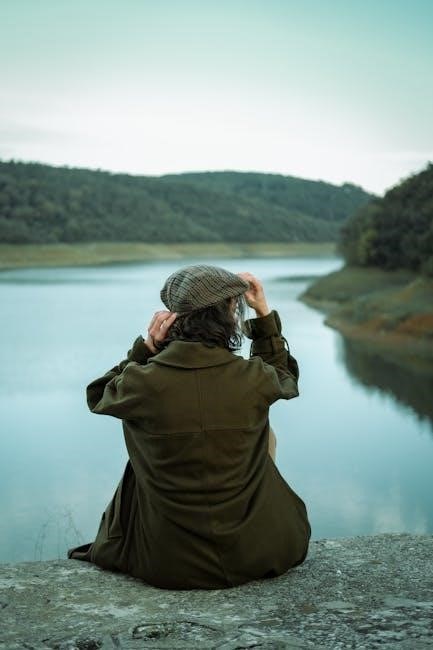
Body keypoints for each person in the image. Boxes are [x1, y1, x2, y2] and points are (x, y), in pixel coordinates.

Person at [68, 265, 311, 589]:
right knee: (264, 435)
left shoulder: (142, 383)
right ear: (228, 314)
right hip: (258, 553)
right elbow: (285, 377)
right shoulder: (253, 377)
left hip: (166, 563)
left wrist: (145, 350)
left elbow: (98, 395)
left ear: (173, 319)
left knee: (148, 445)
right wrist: (263, 314)